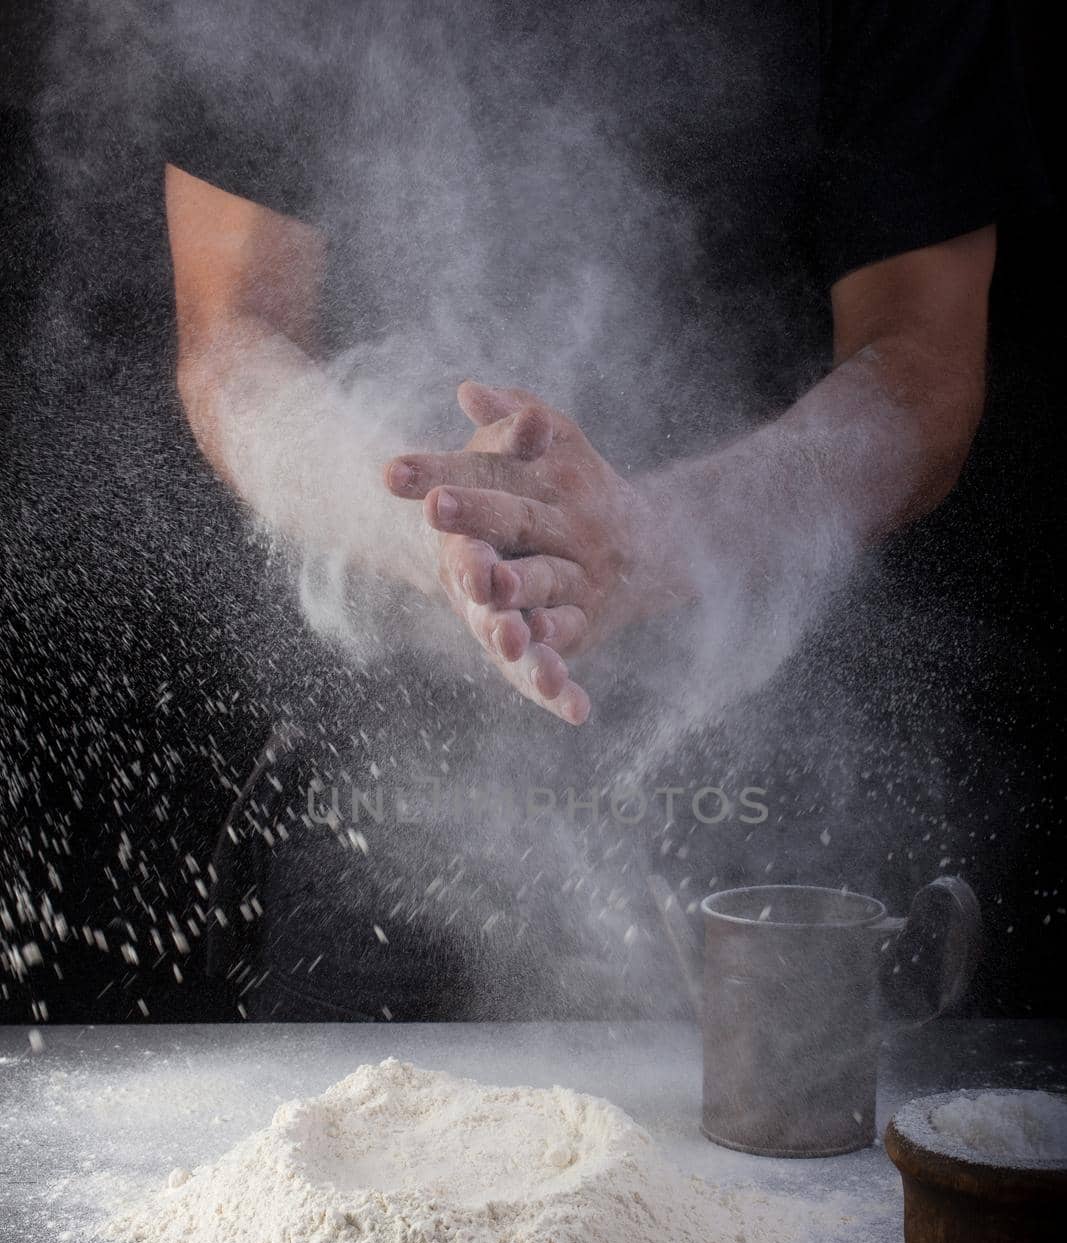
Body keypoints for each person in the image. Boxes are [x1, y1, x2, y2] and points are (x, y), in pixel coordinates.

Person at [162, 0, 1044, 1021]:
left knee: (783, 1168)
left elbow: (920, 368)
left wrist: (655, 540)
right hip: (389, 749)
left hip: (767, 735)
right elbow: (235, 342)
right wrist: (430, 521)